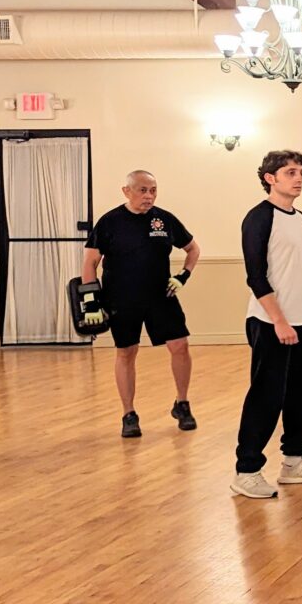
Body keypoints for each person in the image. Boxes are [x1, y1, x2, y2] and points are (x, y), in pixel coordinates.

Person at [231, 150, 302, 499]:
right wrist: (279, 320)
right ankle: (246, 471)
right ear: (270, 178)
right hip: (270, 322)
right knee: (267, 396)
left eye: (301, 171)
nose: (299, 178)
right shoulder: (259, 218)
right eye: (291, 172)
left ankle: (294, 462)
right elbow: (255, 275)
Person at [81, 170, 201, 439]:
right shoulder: (109, 222)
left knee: (180, 346)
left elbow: (193, 249)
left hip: (161, 296)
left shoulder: (165, 219)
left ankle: (182, 404)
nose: (149, 196)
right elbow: (90, 262)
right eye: (143, 190)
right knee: (126, 352)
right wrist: (90, 302)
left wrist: (183, 276)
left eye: (153, 190)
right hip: (120, 298)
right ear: (127, 191)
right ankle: (129, 414)